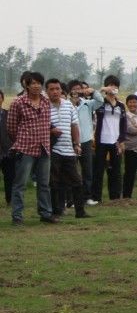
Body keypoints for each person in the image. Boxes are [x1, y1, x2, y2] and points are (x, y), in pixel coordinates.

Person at [7, 72, 57, 225]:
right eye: (32, 83)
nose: (36, 86)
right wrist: (21, 141)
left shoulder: (46, 102)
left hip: (44, 147)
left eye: (38, 83)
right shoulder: (18, 102)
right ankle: (17, 216)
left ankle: (45, 213)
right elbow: (11, 127)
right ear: (26, 85)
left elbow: (47, 123)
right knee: (20, 184)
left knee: (44, 183)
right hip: (25, 148)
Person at [46, 79, 91, 219]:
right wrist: (51, 131)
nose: (55, 91)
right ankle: (56, 211)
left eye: (57, 89)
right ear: (47, 91)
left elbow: (74, 126)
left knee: (76, 181)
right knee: (54, 182)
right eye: (51, 89)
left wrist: (77, 144)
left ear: (61, 91)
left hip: (68, 149)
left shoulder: (68, 106)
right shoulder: (44, 107)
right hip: (52, 149)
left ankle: (80, 211)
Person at [68, 80, 103, 206]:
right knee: (71, 171)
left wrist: (93, 91)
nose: (76, 91)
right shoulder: (66, 105)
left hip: (86, 141)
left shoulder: (87, 104)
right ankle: (70, 199)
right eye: (74, 89)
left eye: (79, 89)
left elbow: (100, 101)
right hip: (71, 142)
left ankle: (86, 197)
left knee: (87, 170)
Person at [92, 75, 126, 202]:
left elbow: (124, 124)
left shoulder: (121, 105)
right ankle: (96, 197)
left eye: (115, 86)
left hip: (116, 141)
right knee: (99, 169)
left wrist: (122, 140)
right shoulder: (100, 103)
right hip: (101, 141)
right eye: (111, 85)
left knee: (116, 170)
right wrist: (103, 91)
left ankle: (115, 197)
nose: (113, 88)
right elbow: (94, 98)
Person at [1, 90, 15, 205]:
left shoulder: (8, 114)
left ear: (2, 99)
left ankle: (10, 200)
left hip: (7, 151)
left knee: (9, 177)